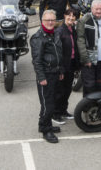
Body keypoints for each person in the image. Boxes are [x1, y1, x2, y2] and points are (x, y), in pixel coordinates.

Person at [30, 9, 64, 144]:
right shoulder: (38, 37)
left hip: (55, 73)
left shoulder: (55, 34)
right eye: (47, 20)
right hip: (46, 75)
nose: (50, 22)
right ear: (42, 21)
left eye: (52, 20)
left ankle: (45, 124)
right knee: (47, 105)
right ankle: (45, 130)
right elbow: (36, 60)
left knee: (52, 102)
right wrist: (41, 77)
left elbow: (59, 54)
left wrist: (60, 71)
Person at [77, 0, 101, 96]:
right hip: (89, 60)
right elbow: (80, 41)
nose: (99, 11)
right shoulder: (84, 20)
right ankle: (87, 108)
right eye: (96, 9)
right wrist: (85, 59)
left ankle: (99, 108)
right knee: (89, 85)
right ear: (92, 9)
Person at [53, 8, 79, 124]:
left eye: (74, 16)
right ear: (64, 16)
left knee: (67, 89)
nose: (71, 18)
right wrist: (60, 69)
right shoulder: (59, 31)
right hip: (63, 65)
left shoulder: (72, 29)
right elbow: (57, 52)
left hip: (71, 63)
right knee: (60, 91)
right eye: (69, 15)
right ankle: (55, 114)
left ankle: (63, 110)